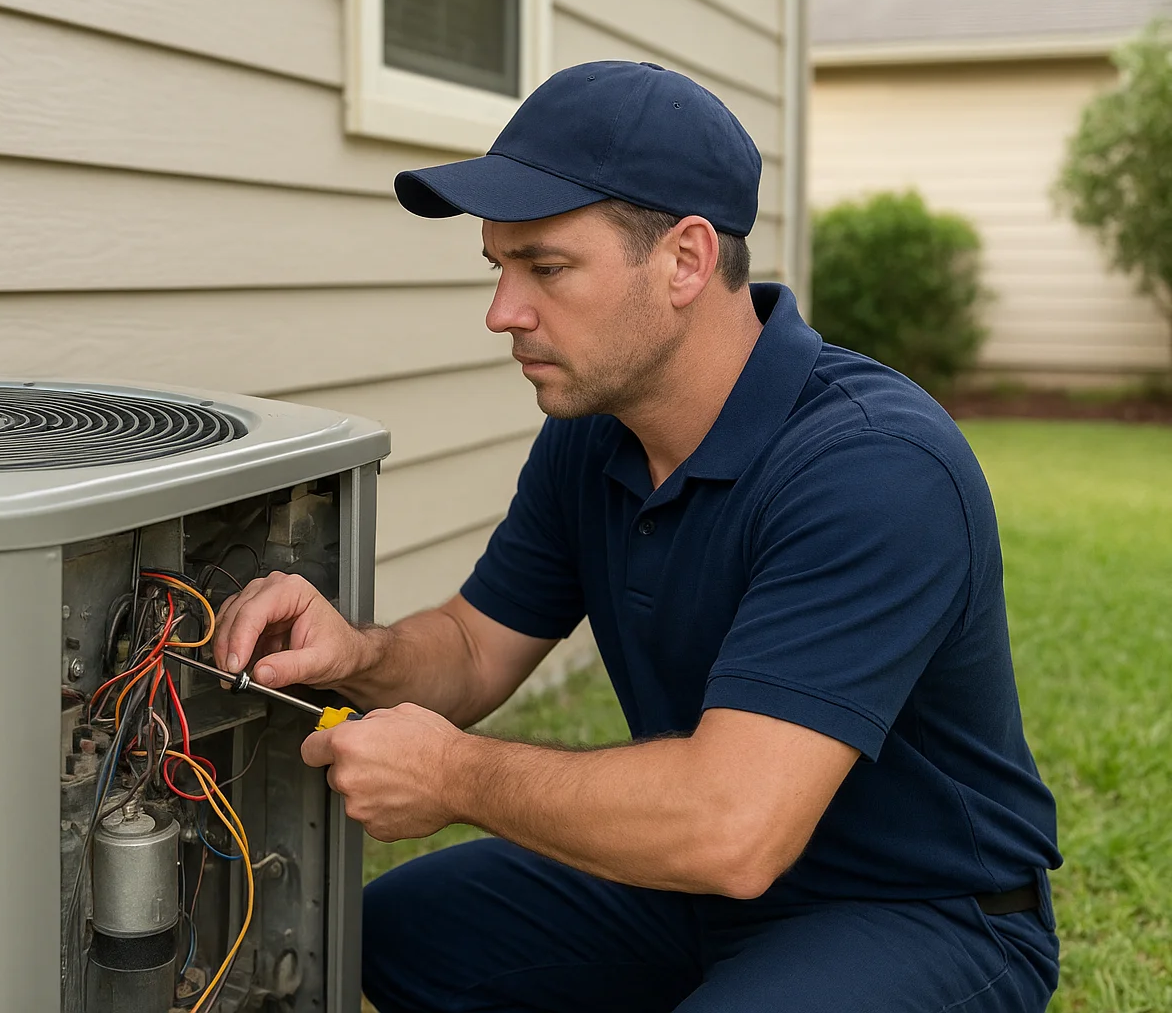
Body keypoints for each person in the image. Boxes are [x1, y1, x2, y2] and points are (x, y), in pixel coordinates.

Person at [212, 61, 1061, 1012]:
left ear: (686, 260)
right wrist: (356, 654)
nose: (502, 313)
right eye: (499, 268)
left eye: (546, 268)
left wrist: (453, 774)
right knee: (392, 933)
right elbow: (473, 649)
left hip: (922, 912)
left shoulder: (875, 467)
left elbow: (731, 827)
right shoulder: (597, 434)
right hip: (697, 893)